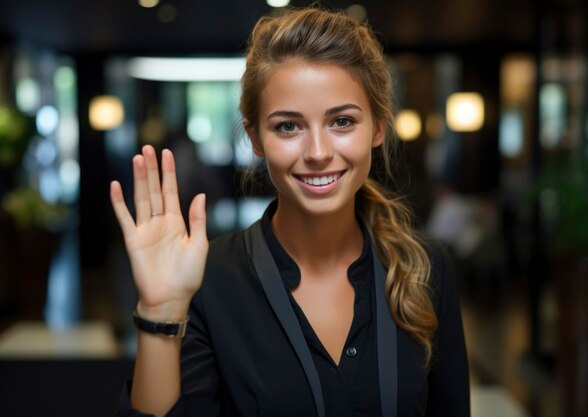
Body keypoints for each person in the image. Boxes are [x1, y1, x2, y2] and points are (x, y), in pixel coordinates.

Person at [111, 7, 469, 417]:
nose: (317, 153)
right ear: (255, 138)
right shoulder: (207, 281)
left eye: (342, 121)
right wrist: (160, 312)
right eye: (288, 127)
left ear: (378, 127)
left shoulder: (427, 268)